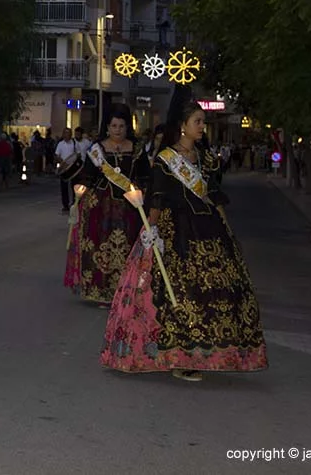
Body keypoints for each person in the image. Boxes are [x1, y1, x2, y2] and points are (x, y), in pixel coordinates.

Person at [100, 89, 268, 382]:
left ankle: (213, 353)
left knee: (221, 293)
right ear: (183, 125)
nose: (202, 127)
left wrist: (228, 229)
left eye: (203, 121)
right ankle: (180, 358)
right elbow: (158, 198)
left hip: (210, 230)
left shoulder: (205, 158)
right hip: (177, 231)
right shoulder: (166, 160)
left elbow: (214, 195)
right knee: (180, 294)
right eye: (198, 121)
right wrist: (151, 230)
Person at [68, 104, 149, 305]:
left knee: (128, 246)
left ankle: (126, 291)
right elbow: (87, 175)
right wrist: (81, 189)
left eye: (121, 126)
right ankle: (100, 291)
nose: (118, 130)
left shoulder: (137, 149)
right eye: (114, 126)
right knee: (100, 247)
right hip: (101, 207)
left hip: (130, 205)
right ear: (107, 127)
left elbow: (146, 176)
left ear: (127, 127)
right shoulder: (96, 150)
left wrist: (142, 190)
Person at [54, 127, 76, 214]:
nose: (67, 135)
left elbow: (77, 154)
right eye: (65, 133)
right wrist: (62, 162)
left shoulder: (74, 143)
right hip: (64, 168)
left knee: (74, 186)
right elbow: (56, 155)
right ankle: (65, 205)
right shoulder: (60, 144)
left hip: (73, 167)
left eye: (69, 133)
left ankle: (74, 203)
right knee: (64, 187)